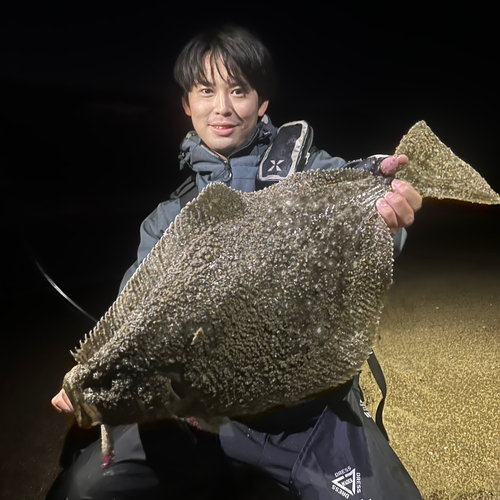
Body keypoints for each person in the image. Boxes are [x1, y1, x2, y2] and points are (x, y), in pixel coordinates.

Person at [48, 25, 422, 500]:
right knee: (81, 490)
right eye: (206, 91)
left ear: (262, 103)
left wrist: (389, 220)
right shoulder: (164, 221)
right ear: (186, 103)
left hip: (303, 414)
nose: (222, 108)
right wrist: (92, 380)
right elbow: (136, 324)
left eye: (239, 90)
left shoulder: (310, 175)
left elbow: (366, 212)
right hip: (194, 423)